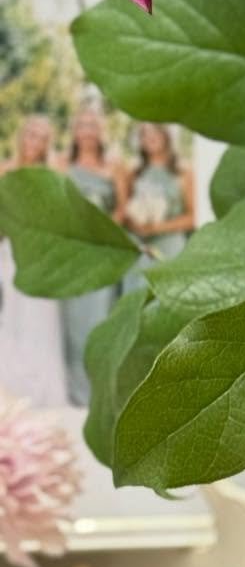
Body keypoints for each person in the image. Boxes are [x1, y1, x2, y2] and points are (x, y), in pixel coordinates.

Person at [58, 105, 127, 406]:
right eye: (82, 125)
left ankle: (102, 393)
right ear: (75, 132)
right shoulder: (61, 165)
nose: (87, 131)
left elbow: (122, 209)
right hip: (73, 255)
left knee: (101, 320)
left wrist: (105, 235)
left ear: (101, 132)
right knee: (73, 325)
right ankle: (76, 394)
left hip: (104, 254)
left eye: (92, 125)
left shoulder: (113, 168)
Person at [0, 115, 69, 409]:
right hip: (8, 251)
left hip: (40, 254)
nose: (34, 141)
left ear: (46, 145)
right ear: (21, 136)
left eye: (41, 137)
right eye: (31, 134)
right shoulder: (4, 170)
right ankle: (10, 386)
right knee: (10, 315)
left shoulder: (52, 175)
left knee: (40, 317)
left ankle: (43, 389)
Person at [120, 122, 192, 296]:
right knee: (136, 297)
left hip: (170, 247)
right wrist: (136, 224)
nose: (150, 137)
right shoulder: (133, 173)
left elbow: (192, 216)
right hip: (140, 248)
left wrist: (157, 228)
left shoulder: (183, 172)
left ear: (166, 135)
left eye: (155, 131)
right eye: (144, 133)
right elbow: (125, 212)